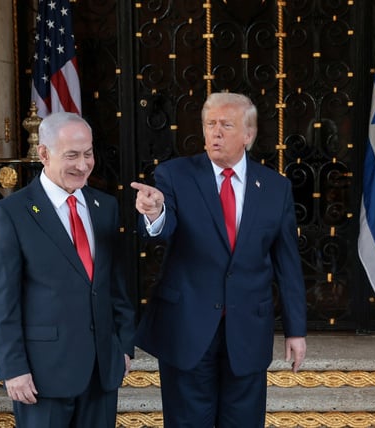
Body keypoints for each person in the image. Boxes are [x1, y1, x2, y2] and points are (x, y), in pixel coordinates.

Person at [130, 92, 307, 427]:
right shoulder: (175, 175)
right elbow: (163, 225)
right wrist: (154, 212)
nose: (216, 132)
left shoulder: (274, 187)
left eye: (226, 125)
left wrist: (296, 330)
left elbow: (287, 263)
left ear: (248, 135)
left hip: (247, 331)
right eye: (210, 124)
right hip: (187, 327)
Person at [0, 112, 135, 427]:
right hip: (42, 375)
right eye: (72, 156)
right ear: (44, 154)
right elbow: (2, 301)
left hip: (102, 369)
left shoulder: (104, 206)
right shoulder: (12, 213)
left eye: (88, 154)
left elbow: (116, 285)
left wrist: (123, 345)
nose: (83, 165)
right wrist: (13, 368)